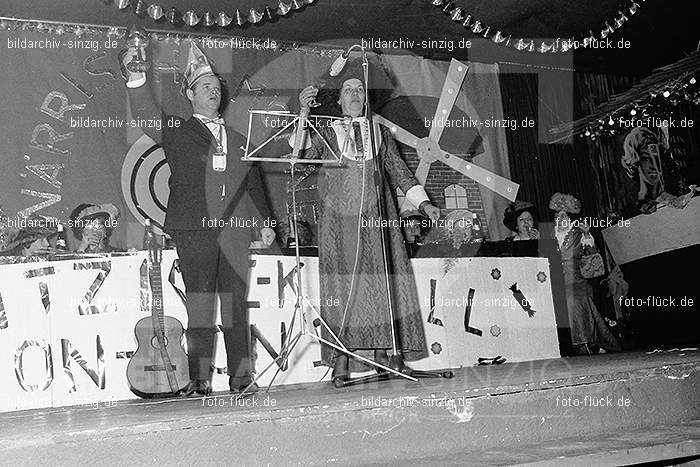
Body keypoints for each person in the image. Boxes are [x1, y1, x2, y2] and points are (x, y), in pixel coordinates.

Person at [121, 41, 275, 396]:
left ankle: (241, 377)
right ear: (189, 94)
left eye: (217, 87)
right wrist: (136, 77)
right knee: (201, 304)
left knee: (236, 305)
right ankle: (200, 379)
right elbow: (145, 111)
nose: (213, 92)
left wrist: (265, 222)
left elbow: (253, 181)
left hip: (235, 231)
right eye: (205, 87)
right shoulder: (177, 131)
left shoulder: (238, 138)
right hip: (194, 230)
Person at [294, 60, 440, 384]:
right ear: (339, 98)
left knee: (382, 285)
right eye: (349, 90)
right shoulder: (327, 130)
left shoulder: (380, 132)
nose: (355, 94)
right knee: (346, 289)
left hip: (379, 222)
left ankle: (388, 356)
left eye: (360, 90)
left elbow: (399, 171)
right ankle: (342, 362)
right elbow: (300, 155)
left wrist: (424, 203)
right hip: (339, 225)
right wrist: (303, 115)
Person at [549, 192, 621, 355]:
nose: (561, 218)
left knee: (573, 298)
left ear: (570, 218)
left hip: (577, 281)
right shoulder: (548, 236)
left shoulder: (579, 234)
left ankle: (583, 343)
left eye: (565, 215)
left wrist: (588, 235)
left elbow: (594, 262)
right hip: (553, 283)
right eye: (558, 215)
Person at [621, 126, 689, 214]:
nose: (655, 165)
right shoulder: (635, 199)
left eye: (656, 157)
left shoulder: (670, 188)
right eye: (646, 158)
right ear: (635, 163)